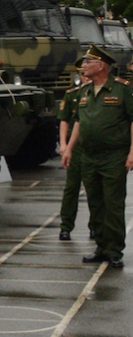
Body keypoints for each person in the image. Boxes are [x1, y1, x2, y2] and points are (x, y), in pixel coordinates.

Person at [61, 45, 133, 269]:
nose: (83, 66)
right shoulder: (84, 91)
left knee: (113, 204)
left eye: (88, 62)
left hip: (114, 155)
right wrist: (69, 148)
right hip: (89, 156)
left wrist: (132, 152)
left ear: (101, 65)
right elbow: (80, 123)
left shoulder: (123, 90)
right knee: (95, 203)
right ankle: (101, 246)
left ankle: (114, 250)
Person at [57, 66, 93, 241]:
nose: (85, 77)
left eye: (87, 73)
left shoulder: (99, 94)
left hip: (93, 146)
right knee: (72, 188)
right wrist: (64, 145)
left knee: (94, 189)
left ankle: (95, 226)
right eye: (82, 74)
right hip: (76, 147)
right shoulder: (72, 95)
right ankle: (66, 226)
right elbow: (64, 121)